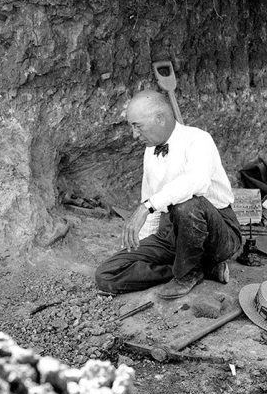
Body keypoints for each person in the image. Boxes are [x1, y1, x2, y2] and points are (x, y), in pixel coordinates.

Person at [95, 90, 242, 299]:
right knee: (107, 274)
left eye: (137, 126)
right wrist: (143, 246)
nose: (134, 135)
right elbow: (150, 196)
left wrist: (146, 207)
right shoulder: (150, 150)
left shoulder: (198, 139)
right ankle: (199, 269)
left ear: (160, 118)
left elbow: (196, 181)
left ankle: (187, 273)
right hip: (171, 233)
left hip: (215, 233)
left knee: (187, 205)